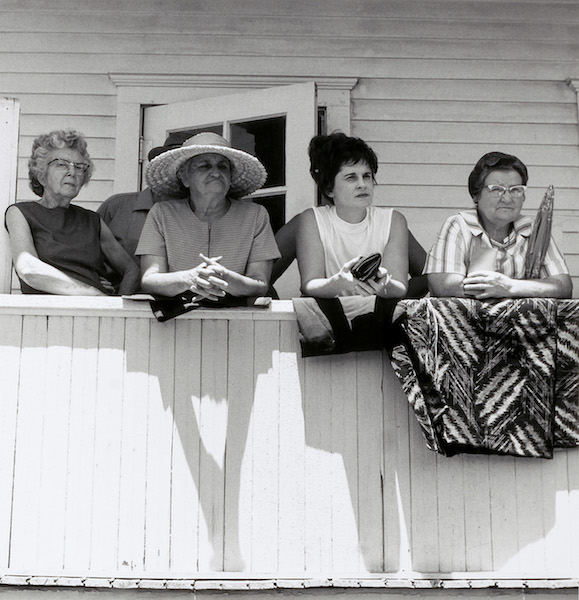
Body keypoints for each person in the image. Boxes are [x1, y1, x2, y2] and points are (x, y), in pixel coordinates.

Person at [136, 132, 280, 301]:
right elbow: (150, 279)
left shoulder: (255, 215)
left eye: (223, 166)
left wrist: (224, 278)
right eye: (204, 166)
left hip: (237, 318)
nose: (216, 173)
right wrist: (190, 278)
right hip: (175, 320)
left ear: (231, 176)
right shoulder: (162, 214)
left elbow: (260, 282)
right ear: (184, 177)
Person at [5, 129, 139, 295]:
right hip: (46, 315)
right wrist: (92, 292)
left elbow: (131, 270)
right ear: (41, 175)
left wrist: (117, 306)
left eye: (79, 167)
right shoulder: (20, 213)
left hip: (97, 315)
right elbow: (29, 269)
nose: (72, 172)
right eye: (61, 164)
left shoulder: (92, 220)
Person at [425, 151, 572, 299]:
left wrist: (510, 287)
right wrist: (520, 289)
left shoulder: (533, 230)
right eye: (496, 190)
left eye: (516, 190)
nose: (507, 199)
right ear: (476, 195)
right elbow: (445, 286)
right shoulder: (459, 225)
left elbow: (563, 286)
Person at [296, 132, 409, 299]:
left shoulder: (393, 220)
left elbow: (400, 286)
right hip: (331, 317)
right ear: (329, 188)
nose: (362, 185)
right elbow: (309, 284)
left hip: (376, 316)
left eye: (367, 176)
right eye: (351, 178)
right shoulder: (313, 219)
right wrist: (339, 282)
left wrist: (383, 284)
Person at [97, 132, 190, 265]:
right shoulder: (116, 206)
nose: (180, 173)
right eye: (174, 165)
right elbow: (87, 253)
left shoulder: (203, 214)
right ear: (160, 167)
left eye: (187, 167)